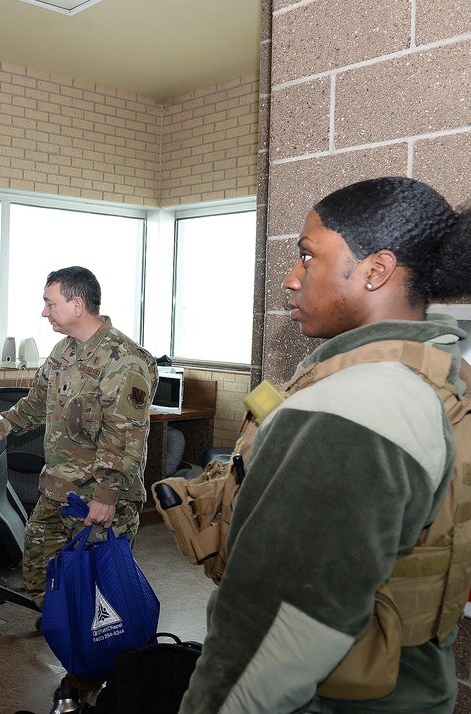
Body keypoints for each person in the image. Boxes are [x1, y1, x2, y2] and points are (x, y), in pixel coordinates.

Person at [179, 176, 471, 713]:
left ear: (375, 269)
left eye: (308, 257)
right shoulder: (436, 377)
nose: (290, 279)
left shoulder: (360, 402)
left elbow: (279, 627)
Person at [0, 266, 158, 693]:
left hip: (97, 500)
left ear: (77, 305)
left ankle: (107, 680)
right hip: (57, 491)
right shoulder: (63, 351)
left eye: (50, 302)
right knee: (40, 572)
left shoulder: (124, 360)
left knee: (102, 597)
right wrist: (4, 423)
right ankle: (78, 656)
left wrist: (108, 496)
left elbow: (125, 437)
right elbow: (38, 401)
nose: (44, 312)